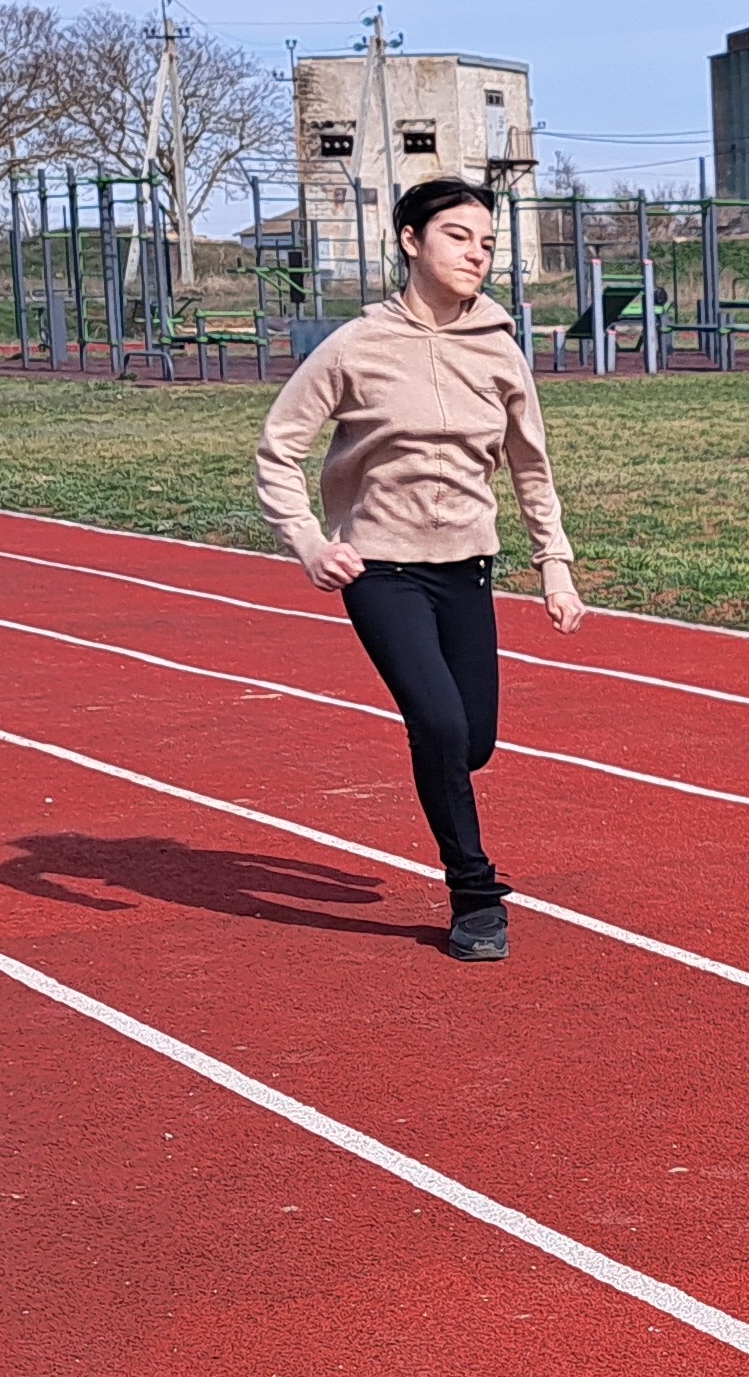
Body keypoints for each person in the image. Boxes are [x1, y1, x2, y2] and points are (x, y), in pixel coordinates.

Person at [255, 176, 585, 960]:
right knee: (436, 722)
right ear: (411, 242)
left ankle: (452, 793)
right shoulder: (354, 346)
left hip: (467, 566)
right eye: (458, 238)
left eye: (487, 243)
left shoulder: (500, 349)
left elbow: (530, 467)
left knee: (470, 742)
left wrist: (555, 565)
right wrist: (309, 543)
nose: (477, 254)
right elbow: (279, 448)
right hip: (380, 570)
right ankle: (475, 895)